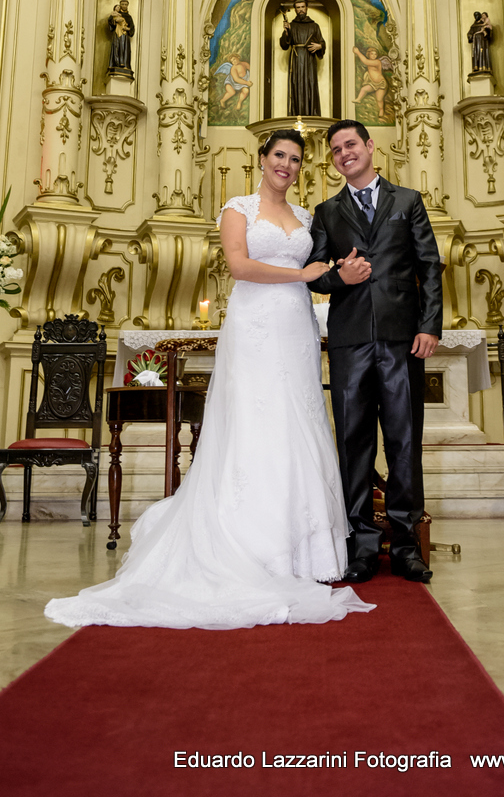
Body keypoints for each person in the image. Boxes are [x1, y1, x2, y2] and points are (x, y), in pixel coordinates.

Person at [45, 130, 373, 630]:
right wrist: (303, 276)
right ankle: (249, 545)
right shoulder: (236, 208)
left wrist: (335, 274)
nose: (287, 164)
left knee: (296, 424)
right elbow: (240, 266)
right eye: (279, 155)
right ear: (261, 160)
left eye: (296, 159)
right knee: (253, 425)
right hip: (254, 326)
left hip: (296, 330)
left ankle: (306, 555)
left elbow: (321, 269)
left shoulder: (308, 217)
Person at [305, 120, 443, 584]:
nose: (344, 153)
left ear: (368, 146)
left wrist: (430, 326)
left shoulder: (408, 201)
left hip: (403, 339)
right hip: (349, 343)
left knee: (405, 443)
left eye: (351, 144)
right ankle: (361, 545)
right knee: (354, 444)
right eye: (336, 150)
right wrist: (338, 277)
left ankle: (406, 546)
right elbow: (314, 274)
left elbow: (429, 265)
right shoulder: (326, 212)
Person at [280, 0, 325, 117]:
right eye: (298, 7)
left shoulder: (314, 26)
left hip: (309, 59)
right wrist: (286, 32)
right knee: (296, 84)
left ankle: (312, 114)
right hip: (296, 58)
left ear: (306, 8)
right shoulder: (291, 25)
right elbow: (284, 45)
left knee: (310, 83)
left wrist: (320, 46)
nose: (300, 10)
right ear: (295, 9)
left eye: (302, 7)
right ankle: (296, 114)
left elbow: (321, 42)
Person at [107, 0, 135, 74]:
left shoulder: (129, 17)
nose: (124, 6)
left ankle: (125, 64)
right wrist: (115, 21)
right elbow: (110, 21)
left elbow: (132, 28)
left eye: (126, 4)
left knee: (124, 50)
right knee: (116, 48)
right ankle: (116, 63)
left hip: (125, 36)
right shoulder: (116, 14)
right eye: (122, 4)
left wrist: (128, 29)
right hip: (117, 34)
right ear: (120, 5)